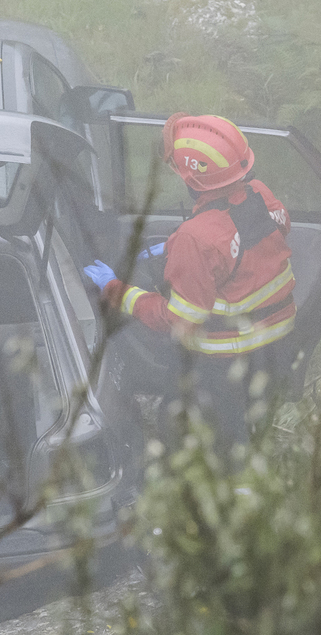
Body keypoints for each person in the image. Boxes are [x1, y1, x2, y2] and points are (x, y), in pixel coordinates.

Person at [82, 113, 296, 454]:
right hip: (277, 340)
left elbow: (180, 320)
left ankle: (230, 486)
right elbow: (255, 235)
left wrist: (116, 290)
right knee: (252, 420)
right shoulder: (259, 193)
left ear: (192, 178)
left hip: (225, 357)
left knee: (202, 432)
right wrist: (176, 249)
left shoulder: (195, 239)